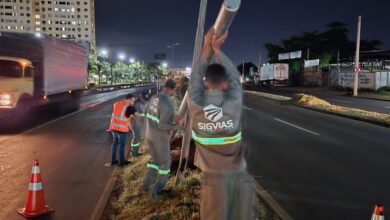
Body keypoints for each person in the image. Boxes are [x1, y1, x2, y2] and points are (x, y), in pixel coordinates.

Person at [188, 28, 256, 219]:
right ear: (225, 83)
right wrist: (217, 50)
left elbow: (194, 79)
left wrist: (206, 47)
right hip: (239, 178)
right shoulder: (233, 102)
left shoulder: (195, 105)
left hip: (214, 182)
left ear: (206, 82)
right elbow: (235, 77)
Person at [142, 79, 178, 197]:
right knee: (165, 164)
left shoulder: (154, 97)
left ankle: (146, 184)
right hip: (160, 139)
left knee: (155, 160)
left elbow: (145, 110)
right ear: (172, 89)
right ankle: (156, 191)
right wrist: (177, 125)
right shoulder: (167, 105)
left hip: (149, 135)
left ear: (164, 87)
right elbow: (162, 125)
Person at [108, 94, 138, 167]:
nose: (133, 103)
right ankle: (122, 162)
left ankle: (113, 161)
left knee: (114, 144)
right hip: (122, 129)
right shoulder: (130, 108)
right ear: (128, 99)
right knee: (122, 146)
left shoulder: (116, 104)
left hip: (114, 128)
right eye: (132, 101)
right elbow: (138, 116)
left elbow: (120, 115)